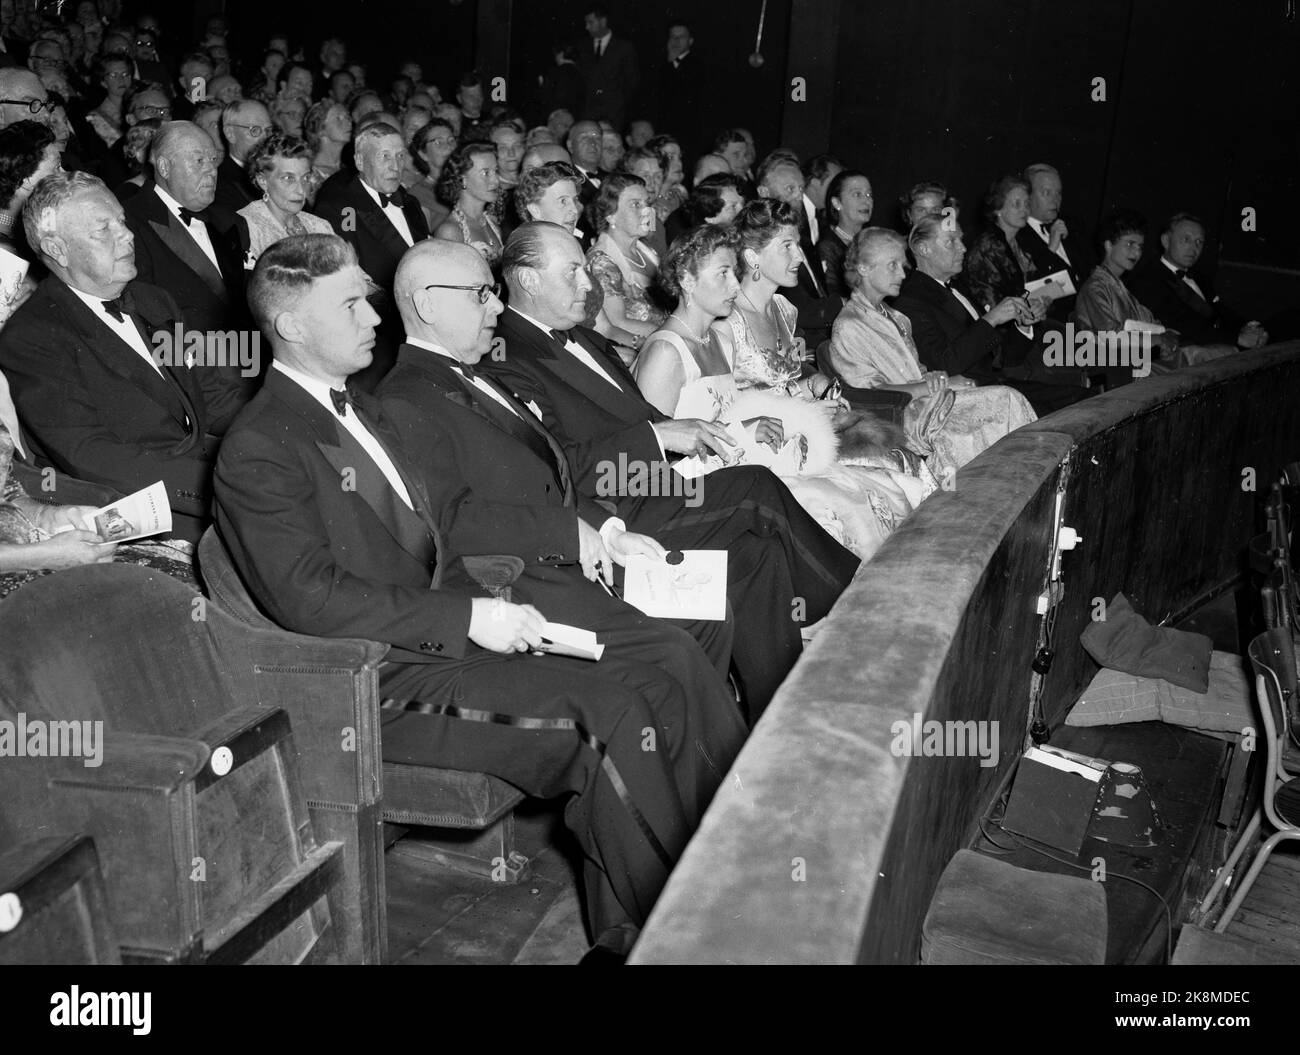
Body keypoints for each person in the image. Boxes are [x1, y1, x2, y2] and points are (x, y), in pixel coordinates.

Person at [214, 233, 744, 960]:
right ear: (294, 324)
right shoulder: (258, 446)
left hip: (450, 637)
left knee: (651, 673)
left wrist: (591, 534)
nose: (375, 317)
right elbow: (311, 598)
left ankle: (650, 921)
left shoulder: (369, 410)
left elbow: (457, 518)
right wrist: (471, 615)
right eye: (351, 305)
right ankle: (688, 936)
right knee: (610, 715)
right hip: (378, 678)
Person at [485, 221, 861, 722]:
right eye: (573, 271)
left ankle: (781, 719)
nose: (588, 283)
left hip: (655, 485)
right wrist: (659, 439)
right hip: (610, 511)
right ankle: (862, 608)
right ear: (528, 281)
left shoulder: (584, 340)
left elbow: (651, 419)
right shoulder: (506, 356)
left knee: (759, 554)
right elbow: (556, 468)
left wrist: (721, 427)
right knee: (755, 488)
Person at [635, 223, 925, 560]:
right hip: (704, 489)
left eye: (735, 273)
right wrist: (741, 435)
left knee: (882, 485)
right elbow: (650, 459)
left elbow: (735, 412)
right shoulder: (666, 352)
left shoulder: (717, 339)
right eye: (724, 274)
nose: (735, 285)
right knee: (844, 503)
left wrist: (787, 410)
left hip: (744, 466)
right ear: (687, 280)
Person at [0, 172, 239, 543]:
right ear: (57, 249)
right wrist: (222, 487)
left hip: (214, 473)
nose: (127, 235)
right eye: (103, 230)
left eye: (122, 221)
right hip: (152, 512)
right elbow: (93, 456)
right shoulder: (32, 337)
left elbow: (213, 393)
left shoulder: (153, 300)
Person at [830, 227, 1036, 481]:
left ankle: (1016, 487)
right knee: (1005, 401)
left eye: (902, 265)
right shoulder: (849, 325)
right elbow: (873, 395)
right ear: (863, 268)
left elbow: (917, 371)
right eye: (892, 265)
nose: (902, 273)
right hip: (907, 418)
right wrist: (938, 385)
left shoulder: (896, 317)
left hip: (930, 403)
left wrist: (938, 380)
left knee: (1008, 400)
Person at [895, 215, 1093, 413]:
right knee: (1084, 404)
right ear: (924, 249)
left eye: (961, 240)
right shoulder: (912, 301)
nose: (963, 248)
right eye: (951, 242)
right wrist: (991, 319)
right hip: (969, 400)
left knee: (1088, 400)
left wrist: (1023, 324)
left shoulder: (958, 288)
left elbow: (1004, 359)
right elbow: (944, 365)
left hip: (997, 387)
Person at [1127, 212, 1268, 354]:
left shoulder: (1200, 277)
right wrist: (1237, 338)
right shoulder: (1148, 279)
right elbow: (1182, 325)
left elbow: (1220, 311)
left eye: (1199, 242)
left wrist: (1251, 328)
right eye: (1186, 239)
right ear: (1166, 241)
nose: (1193, 248)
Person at [755, 152, 841, 346]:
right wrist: (846, 305)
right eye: (790, 188)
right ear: (764, 192)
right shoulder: (763, 244)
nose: (799, 196)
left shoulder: (802, 237)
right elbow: (798, 309)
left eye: (801, 188)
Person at [585, 172, 666, 355]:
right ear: (610, 216)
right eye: (636, 205)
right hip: (637, 354)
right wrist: (674, 333)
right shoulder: (601, 262)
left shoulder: (648, 252)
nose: (647, 212)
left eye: (648, 204)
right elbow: (616, 323)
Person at [232, 132, 334, 270]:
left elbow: (359, 278)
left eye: (305, 178)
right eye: (288, 178)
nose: (300, 190)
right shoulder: (246, 228)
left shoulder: (320, 226)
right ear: (263, 181)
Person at [1016, 163, 1087, 322]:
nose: (1055, 200)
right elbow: (1027, 287)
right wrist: (1051, 248)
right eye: (1047, 192)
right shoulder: (1018, 235)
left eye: (1059, 193)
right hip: (1051, 325)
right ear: (1028, 196)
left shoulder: (1072, 228)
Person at [0, 118, 60, 292]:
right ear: (27, 179)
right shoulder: (5, 249)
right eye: (56, 167)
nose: (63, 174)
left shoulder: (22, 227)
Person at [433, 143, 503, 269]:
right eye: (486, 173)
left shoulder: (492, 221)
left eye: (496, 171)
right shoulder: (450, 231)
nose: (496, 180)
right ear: (462, 180)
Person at [210, 98, 270, 234]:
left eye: (268, 131)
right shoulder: (219, 184)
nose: (265, 139)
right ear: (230, 133)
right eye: (255, 130)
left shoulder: (278, 170)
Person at [578, 4, 638, 131]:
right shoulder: (582, 47)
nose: (586, 27)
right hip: (589, 113)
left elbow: (631, 82)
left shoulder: (624, 47)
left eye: (590, 22)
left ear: (603, 21)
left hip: (615, 115)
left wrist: (619, 104)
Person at [651, 20, 704, 158]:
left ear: (690, 41)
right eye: (672, 36)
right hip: (663, 127)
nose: (675, 40)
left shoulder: (698, 65)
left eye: (681, 37)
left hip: (688, 129)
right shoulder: (659, 63)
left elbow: (685, 94)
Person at [817, 169, 873, 300]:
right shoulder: (828, 246)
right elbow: (832, 297)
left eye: (869, 194)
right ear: (837, 203)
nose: (866, 201)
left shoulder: (874, 241)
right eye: (857, 194)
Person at [406, 118, 455, 231]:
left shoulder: (468, 183)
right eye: (438, 142)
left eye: (451, 140)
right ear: (423, 154)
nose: (448, 146)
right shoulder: (418, 194)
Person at [302, 99, 351, 198]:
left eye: (347, 117)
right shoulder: (309, 174)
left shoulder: (349, 169)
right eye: (338, 118)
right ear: (320, 129)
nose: (348, 123)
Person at [83, 52, 131, 148]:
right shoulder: (95, 118)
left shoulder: (136, 106)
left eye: (125, 74)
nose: (121, 79)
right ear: (103, 81)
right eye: (114, 75)